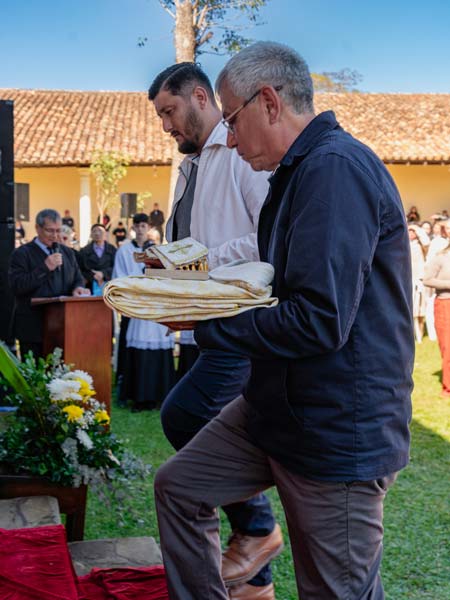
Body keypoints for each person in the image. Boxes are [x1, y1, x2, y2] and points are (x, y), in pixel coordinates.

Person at [154, 42, 414, 600]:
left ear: (269, 102)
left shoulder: (334, 170)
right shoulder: (295, 172)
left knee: (334, 590)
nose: (228, 137)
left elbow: (318, 320)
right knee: (179, 488)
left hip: (335, 427)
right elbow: (275, 285)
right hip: (276, 408)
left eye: (231, 120)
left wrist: (202, 322)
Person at [149, 62, 280, 599]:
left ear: (201, 97)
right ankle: (256, 582)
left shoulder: (242, 155)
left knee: (185, 415)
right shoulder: (191, 166)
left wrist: (197, 263)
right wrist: (169, 271)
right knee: (202, 429)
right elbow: (195, 246)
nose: (165, 126)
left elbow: (271, 237)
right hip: (208, 327)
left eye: (169, 111)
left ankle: (258, 526)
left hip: (241, 325)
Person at [113, 213, 175, 410]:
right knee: (132, 350)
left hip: (155, 309)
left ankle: (159, 394)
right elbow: (119, 277)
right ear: (133, 228)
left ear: (148, 228)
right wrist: (138, 281)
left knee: (157, 351)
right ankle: (131, 391)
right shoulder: (124, 251)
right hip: (135, 306)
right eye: (137, 225)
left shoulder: (157, 251)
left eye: (143, 226)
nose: (140, 229)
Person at [8, 209, 90, 359]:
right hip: (33, 328)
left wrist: (78, 288)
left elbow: (77, 278)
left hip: (63, 326)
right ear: (37, 228)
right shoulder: (22, 253)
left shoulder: (67, 252)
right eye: (50, 230)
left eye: (58, 230)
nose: (55, 235)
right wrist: (45, 267)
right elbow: (17, 286)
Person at [424, 236, 450, 396]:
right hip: (445, 303)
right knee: (447, 347)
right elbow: (427, 280)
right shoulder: (440, 257)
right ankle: (448, 386)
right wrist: (448, 284)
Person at [79, 224, 116, 295]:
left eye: (100, 231)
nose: (97, 233)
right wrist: (93, 275)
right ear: (91, 234)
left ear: (105, 234)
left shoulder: (112, 250)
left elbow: (116, 267)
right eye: (94, 231)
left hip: (109, 285)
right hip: (89, 286)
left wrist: (103, 274)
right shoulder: (84, 251)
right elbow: (80, 269)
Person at [408, 224, 430, 342]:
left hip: (419, 280)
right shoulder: (405, 244)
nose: (411, 234)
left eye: (413, 232)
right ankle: (411, 335)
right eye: (409, 231)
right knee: (411, 310)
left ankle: (420, 335)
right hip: (409, 280)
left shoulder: (421, 246)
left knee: (420, 310)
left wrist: (416, 227)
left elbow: (426, 241)